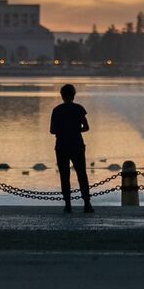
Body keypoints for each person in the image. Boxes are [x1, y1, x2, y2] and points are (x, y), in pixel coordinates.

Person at [50, 83, 93, 213]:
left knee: (64, 175)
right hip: (77, 145)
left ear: (61, 96)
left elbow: (52, 131)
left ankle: (68, 205)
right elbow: (86, 127)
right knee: (82, 174)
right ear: (74, 95)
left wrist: (63, 130)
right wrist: (75, 129)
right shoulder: (79, 108)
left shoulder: (57, 110)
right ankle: (87, 204)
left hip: (62, 146)